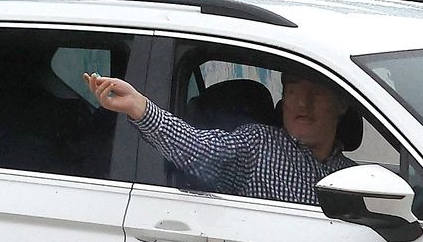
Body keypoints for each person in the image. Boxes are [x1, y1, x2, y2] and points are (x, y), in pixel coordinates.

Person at [83, 72, 356, 205]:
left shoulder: (361, 180)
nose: (302, 104)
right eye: (294, 92)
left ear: (341, 105)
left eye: (317, 94)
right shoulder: (258, 145)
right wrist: (140, 107)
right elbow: (198, 148)